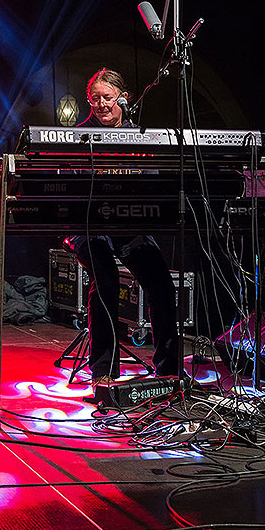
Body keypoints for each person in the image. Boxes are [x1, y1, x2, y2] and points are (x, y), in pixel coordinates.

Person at [64, 67, 179, 390]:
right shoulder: (78, 136)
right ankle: (104, 372)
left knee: (160, 282)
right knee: (106, 281)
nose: (100, 105)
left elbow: (155, 183)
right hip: (88, 226)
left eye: (107, 98)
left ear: (124, 99)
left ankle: (169, 369)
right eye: (95, 99)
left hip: (130, 223)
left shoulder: (140, 136)